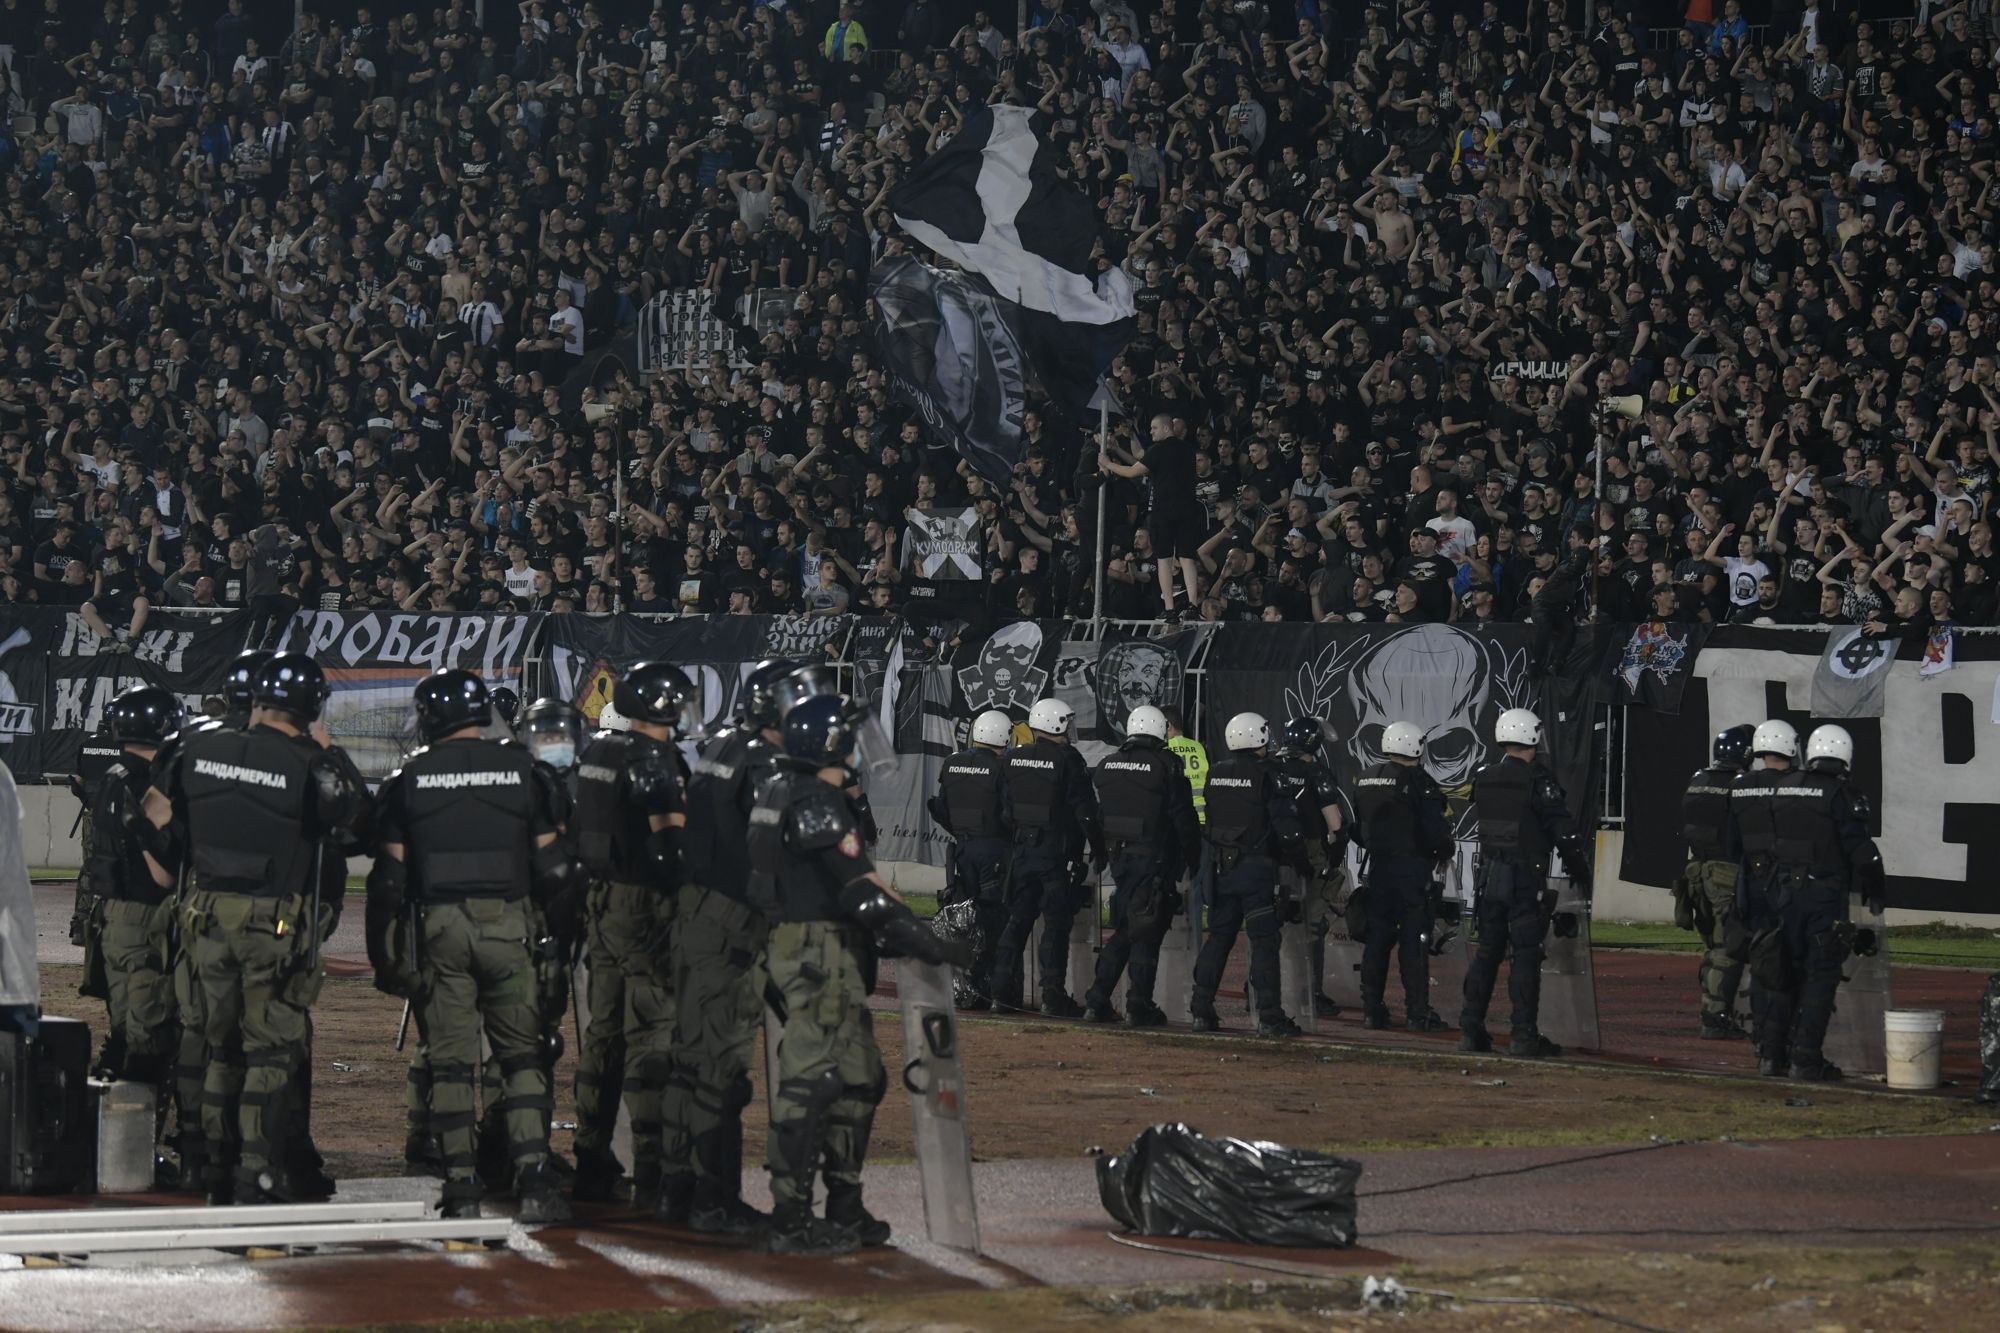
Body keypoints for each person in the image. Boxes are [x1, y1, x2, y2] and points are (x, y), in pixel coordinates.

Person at [749, 684, 971, 1254]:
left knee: (859, 1078)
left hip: (809, 945)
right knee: (813, 1079)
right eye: (848, 742)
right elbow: (863, 893)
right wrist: (926, 940)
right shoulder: (816, 802)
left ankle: (844, 1202)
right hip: (817, 949)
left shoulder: (781, 788)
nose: (856, 751)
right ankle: (790, 1215)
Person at [138, 654, 362, 1204]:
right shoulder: (310, 762)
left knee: (219, 1047)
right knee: (268, 1051)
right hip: (272, 920)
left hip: (205, 913)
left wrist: (179, 861)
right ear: (311, 706)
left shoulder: (196, 747)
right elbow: (356, 828)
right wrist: (329, 749)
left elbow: (151, 815)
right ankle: (256, 1172)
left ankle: (214, 1169)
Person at [367, 670, 582, 1222]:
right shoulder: (525, 773)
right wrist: (557, 940)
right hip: (510, 929)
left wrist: (384, 957)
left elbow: (387, 882)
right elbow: (556, 871)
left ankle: (461, 1187)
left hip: (439, 933)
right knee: (522, 1055)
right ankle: (534, 1178)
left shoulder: (407, 779)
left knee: (452, 1061)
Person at [662, 658, 797, 1235]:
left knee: (691, 1062)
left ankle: (677, 1189)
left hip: (695, 911)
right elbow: (771, 851)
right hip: (731, 920)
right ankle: (714, 1200)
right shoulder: (765, 761)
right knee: (721, 1070)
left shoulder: (719, 747)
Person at [569, 661, 697, 1209]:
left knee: (603, 1035)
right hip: (646, 904)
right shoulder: (655, 760)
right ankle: (655, 1171)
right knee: (653, 1036)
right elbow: (671, 849)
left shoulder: (596, 751)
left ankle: (592, 1157)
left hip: (601, 900)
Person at [1459, 708, 1591, 1059]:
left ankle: (1470, 1030)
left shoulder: (1484, 776)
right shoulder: (1538, 780)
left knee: (1487, 954)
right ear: (1531, 737)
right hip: (1523, 879)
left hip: (1489, 878)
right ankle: (1523, 1034)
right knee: (1525, 957)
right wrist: (1582, 873)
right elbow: (1564, 833)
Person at [1757, 725, 1886, 1082]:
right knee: (1821, 975)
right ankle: (1805, 1058)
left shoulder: (1783, 787)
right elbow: (1863, 854)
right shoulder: (1841, 794)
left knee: (1785, 973)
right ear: (1845, 755)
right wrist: (1876, 890)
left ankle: (1771, 1056)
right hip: (1822, 898)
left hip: (1783, 894)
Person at [85, 687, 184, 1129]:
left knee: (124, 1033)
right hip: (146, 919)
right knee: (152, 1040)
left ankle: (104, 1138)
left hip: (110, 919)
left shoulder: (110, 775)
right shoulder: (149, 781)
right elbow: (161, 874)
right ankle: (133, 1147)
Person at [1192, 712, 1305, 1037]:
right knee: (1264, 943)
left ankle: (1201, 1009)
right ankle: (1269, 1017)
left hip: (1222, 869)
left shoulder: (1216, 773)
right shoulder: (1269, 775)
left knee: (1219, 940)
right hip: (1256, 871)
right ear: (1256, 738)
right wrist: (1300, 864)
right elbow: (1288, 832)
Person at [1084, 705, 1198, 1026]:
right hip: (1155, 859)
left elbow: (1100, 815)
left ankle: (1097, 999)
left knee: (1125, 928)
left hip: (1120, 861)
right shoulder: (1167, 765)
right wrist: (1194, 861)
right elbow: (1183, 820)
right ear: (1160, 730)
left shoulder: (1108, 765)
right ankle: (1138, 1004)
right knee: (1146, 930)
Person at [995, 698, 1104, 1016]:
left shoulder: (1013, 758)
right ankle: (1052, 995)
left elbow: (1005, 811)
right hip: (1056, 857)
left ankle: (1000, 993)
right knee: (1055, 927)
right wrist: (1097, 848)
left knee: (1017, 923)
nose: (1070, 729)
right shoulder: (1068, 758)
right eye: (1066, 722)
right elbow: (1085, 811)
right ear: (1056, 724)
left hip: (1023, 853)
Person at [1350, 721, 1454, 1031]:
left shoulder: (1366, 778)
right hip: (1411, 871)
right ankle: (1417, 1013)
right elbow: (1435, 831)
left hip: (1379, 870)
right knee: (1414, 942)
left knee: (1377, 940)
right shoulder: (1419, 781)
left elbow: (1358, 828)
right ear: (1417, 747)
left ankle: (1372, 1010)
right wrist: (1442, 852)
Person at [928, 708, 1013, 1010]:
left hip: (962, 850)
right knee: (994, 922)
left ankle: (962, 988)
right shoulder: (1002, 769)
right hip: (994, 852)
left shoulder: (952, 764)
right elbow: (1008, 813)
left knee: (964, 922)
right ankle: (989, 989)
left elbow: (940, 807)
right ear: (1003, 736)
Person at [1729, 720, 1797, 1076]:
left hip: (1749, 882)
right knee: (1789, 964)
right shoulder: (1794, 786)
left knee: (1760, 962)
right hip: (1786, 882)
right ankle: (1783, 1044)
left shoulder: (1739, 787)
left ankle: (1761, 1038)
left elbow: (1730, 838)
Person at [1678, 724, 1755, 1041]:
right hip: (1726, 873)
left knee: (1713, 946)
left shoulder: (1699, 780)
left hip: (1697, 871)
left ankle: (1714, 1009)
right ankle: (1715, 1015)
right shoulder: (1740, 785)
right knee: (1729, 948)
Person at [1271, 716, 1349, 1018]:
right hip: (1310, 852)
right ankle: (1311, 994)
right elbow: (1335, 823)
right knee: (1311, 925)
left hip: (1273, 854)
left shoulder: (1270, 767)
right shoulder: (1315, 772)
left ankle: (1257, 984)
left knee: (1271, 922)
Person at [1163, 708, 1208, 825]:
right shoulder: (1198, 747)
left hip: (1178, 819)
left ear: (1168, 726)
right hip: (1203, 816)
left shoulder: (1164, 749)